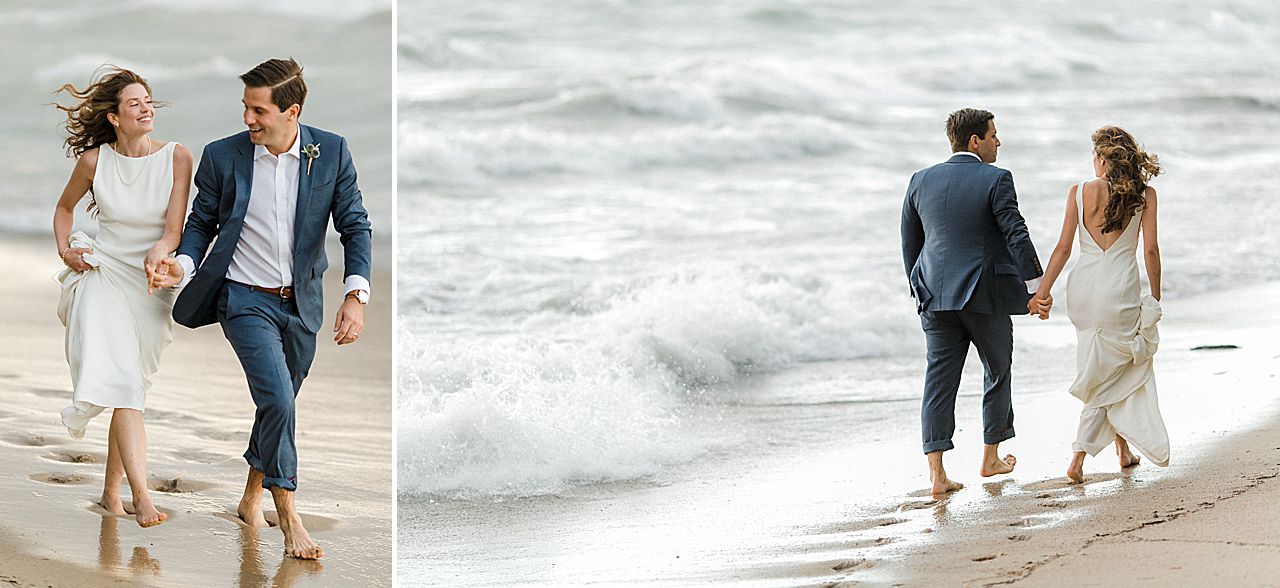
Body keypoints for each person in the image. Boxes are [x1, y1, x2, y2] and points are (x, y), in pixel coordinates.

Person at [149, 58, 372, 560]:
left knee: (278, 402)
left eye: (258, 110)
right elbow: (201, 223)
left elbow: (355, 226)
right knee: (279, 398)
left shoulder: (330, 151)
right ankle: (289, 514)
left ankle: (250, 497)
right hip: (242, 298)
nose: (248, 119)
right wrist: (181, 267)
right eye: (245, 108)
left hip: (302, 304)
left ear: (291, 112)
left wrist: (355, 295)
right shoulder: (223, 156)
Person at [52, 67, 194, 528]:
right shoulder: (95, 162)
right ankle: (141, 498)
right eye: (135, 103)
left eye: (148, 100)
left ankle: (110, 494)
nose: (146, 108)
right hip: (103, 273)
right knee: (126, 387)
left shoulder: (177, 157)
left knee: (130, 385)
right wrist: (66, 248)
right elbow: (64, 209)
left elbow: (173, 230)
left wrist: (162, 252)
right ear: (114, 117)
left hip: (151, 282)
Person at [900, 108, 1051, 497]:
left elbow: (910, 244)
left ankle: (937, 475)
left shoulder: (920, 180)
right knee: (997, 370)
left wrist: (919, 288)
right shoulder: (996, 178)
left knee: (938, 382)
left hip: (935, 298)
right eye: (994, 135)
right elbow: (1016, 234)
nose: (998, 142)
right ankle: (990, 457)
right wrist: (1036, 290)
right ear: (975, 141)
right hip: (985, 296)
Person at [1032, 126, 1168, 483]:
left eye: (1094, 155)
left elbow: (1062, 249)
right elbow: (1150, 250)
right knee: (1112, 369)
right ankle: (1078, 457)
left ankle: (1123, 451)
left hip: (1082, 290)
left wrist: (1042, 292)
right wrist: (1154, 298)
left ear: (1104, 158)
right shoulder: (1145, 196)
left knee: (1101, 366)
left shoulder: (1078, 193)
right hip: (1118, 290)